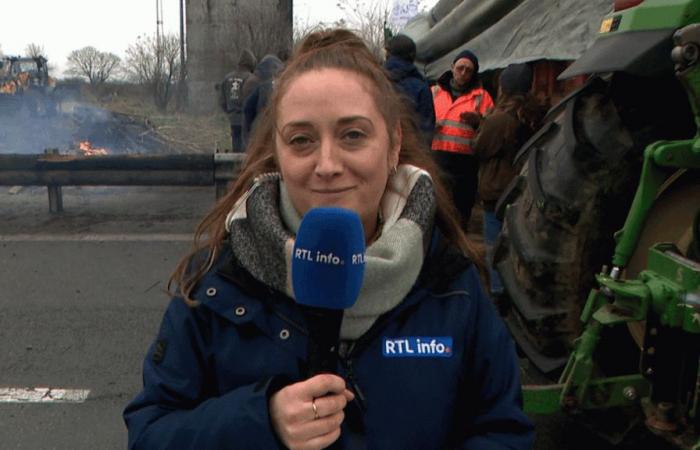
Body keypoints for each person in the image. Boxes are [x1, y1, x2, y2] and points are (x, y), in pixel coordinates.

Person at [124, 29, 533, 450]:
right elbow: (152, 433)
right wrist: (261, 421)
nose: (327, 164)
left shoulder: (451, 283)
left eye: (353, 135)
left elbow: (502, 430)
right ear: (278, 153)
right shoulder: (217, 282)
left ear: (393, 145)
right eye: (301, 140)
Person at [474, 63, 546, 300]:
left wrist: (480, 126)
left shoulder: (499, 119)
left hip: (497, 190)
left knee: (495, 247)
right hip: (525, 188)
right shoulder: (537, 114)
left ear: (503, 87)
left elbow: (480, 148)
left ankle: (498, 295)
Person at [431, 49, 494, 227]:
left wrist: (478, 121)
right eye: (460, 68)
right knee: (436, 203)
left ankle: (458, 242)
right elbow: (421, 119)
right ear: (452, 68)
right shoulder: (435, 92)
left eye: (468, 70)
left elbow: (490, 129)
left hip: (466, 161)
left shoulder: (483, 97)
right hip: (438, 156)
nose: (463, 73)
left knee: (462, 207)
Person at [383, 34, 435, 146]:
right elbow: (426, 129)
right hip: (411, 152)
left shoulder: (376, 81)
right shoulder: (421, 86)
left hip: (381, 151)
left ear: (389, 54)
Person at [218, 49, 257, 152]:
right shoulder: (251, 79)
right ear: (251, 64)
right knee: (246, 151)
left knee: (236, 145)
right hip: (247, 120)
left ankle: (235, 165)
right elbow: (253, 101)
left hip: (232, 118)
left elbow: (222, 101)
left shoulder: (227, 78)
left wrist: (230, 111)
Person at [243, 54, 284, 146]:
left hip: (261, 128)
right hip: (282, 128)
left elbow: (248, 108)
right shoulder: (287, 83)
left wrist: (248, 132)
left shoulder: (257, 83)